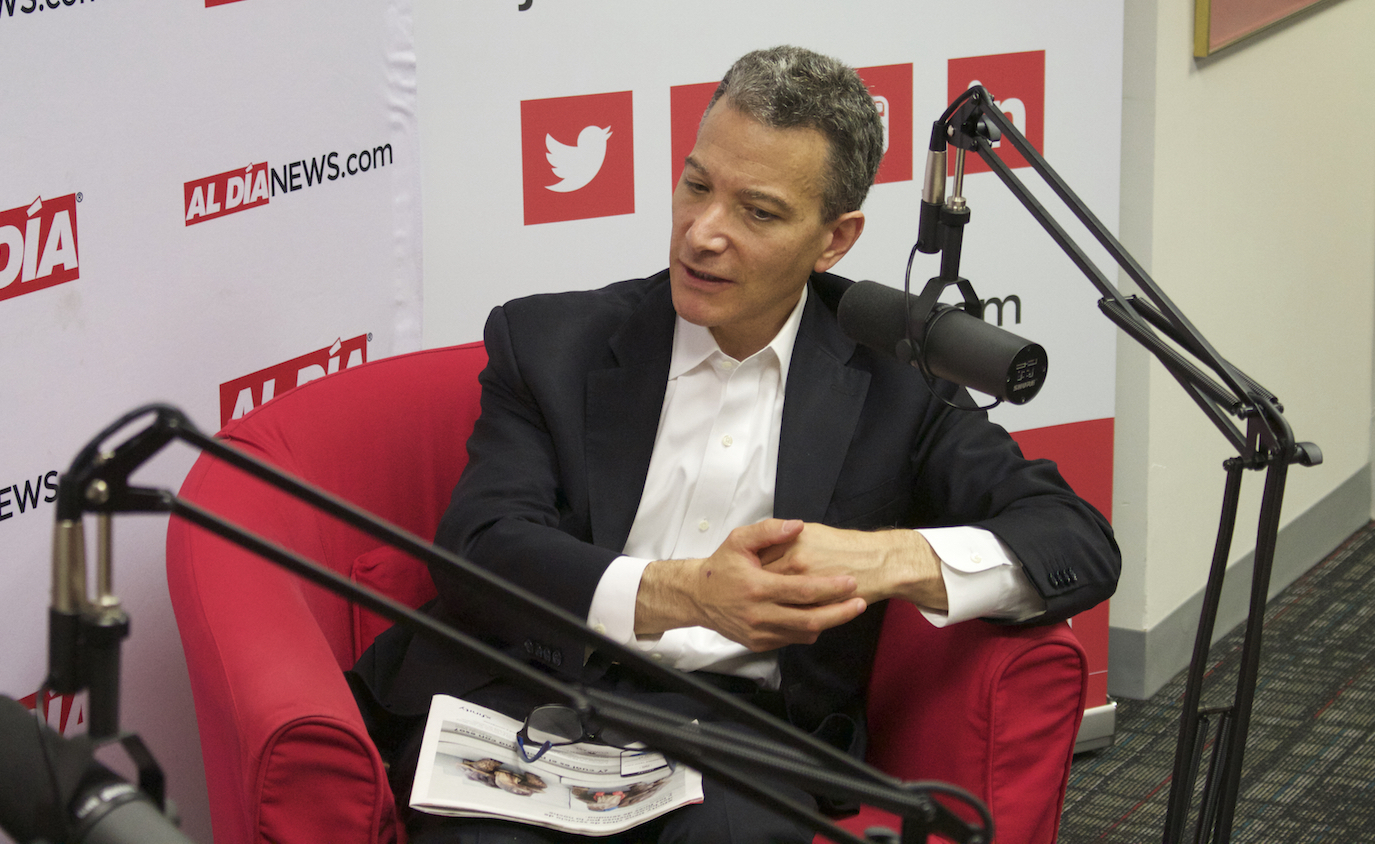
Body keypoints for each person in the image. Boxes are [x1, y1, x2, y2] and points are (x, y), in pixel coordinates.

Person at [349, 46, 1120, 843]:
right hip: (529, 687)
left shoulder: (899, 382)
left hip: (739, 734)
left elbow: (1076, 539)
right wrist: (687, 593)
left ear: (835, 240)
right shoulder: (550, 342)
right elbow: (481, 549)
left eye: (757, 212)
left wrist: (884, 561)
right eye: (696, 186)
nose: (703, 234)